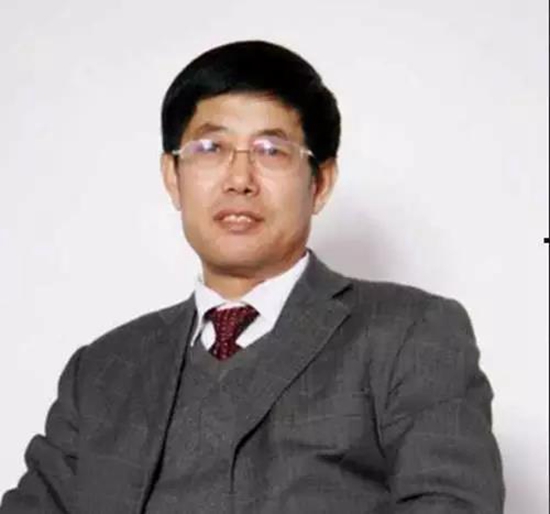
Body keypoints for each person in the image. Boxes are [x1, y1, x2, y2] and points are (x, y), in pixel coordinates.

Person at [0, 40, 505, 513]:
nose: (239, 180)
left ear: (321, 183)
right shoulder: (103, 370)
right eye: (210, 148)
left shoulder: (408, 334)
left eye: (271, 151)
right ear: (172, 177)